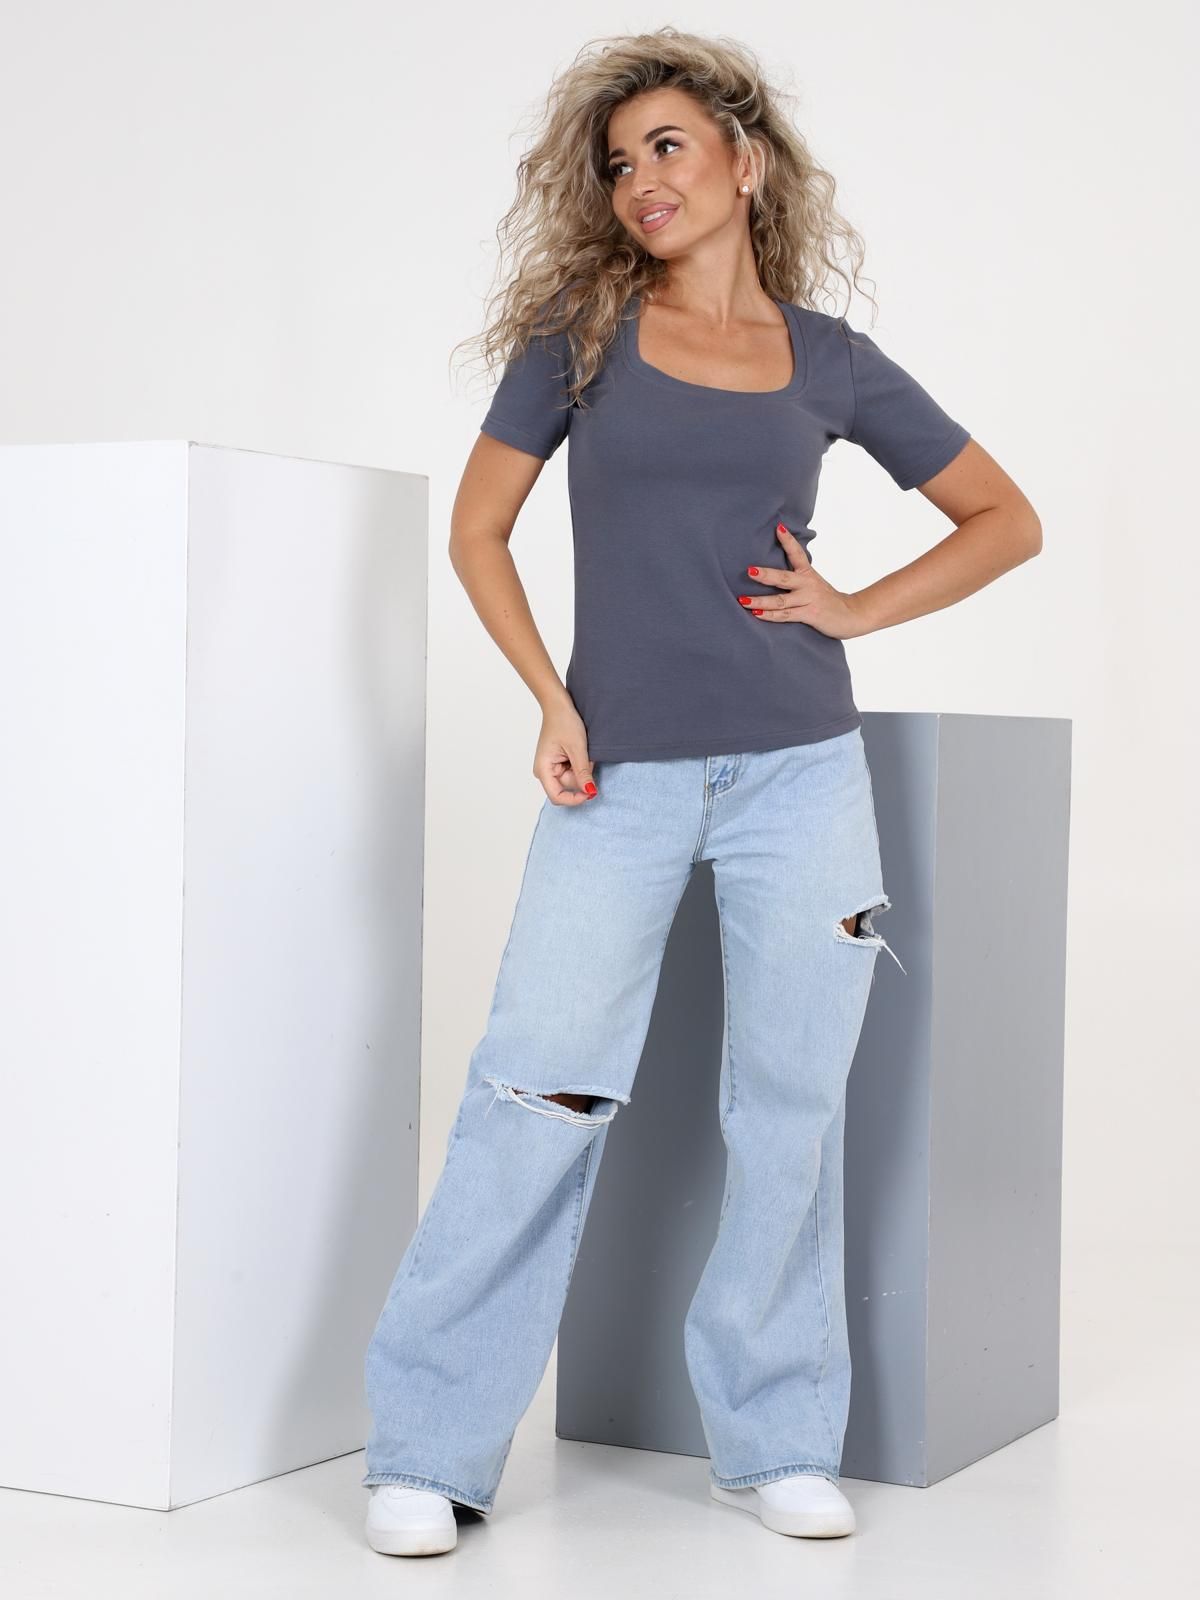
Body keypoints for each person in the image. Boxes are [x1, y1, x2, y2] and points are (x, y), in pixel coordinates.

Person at [362, 27, 1041, 1558]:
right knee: (536, 1088)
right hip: (619, 771)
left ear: (747, 160)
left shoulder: (831, 360)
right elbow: (478, 532)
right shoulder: (580, 339)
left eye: (667, 146)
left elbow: (1005, 518)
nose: (640, 181)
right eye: (617, 164)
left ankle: (776, 1438)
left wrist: (855, 609)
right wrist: (552, 698)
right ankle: (429, 1447)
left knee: (791, 1106)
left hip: (803, 771)